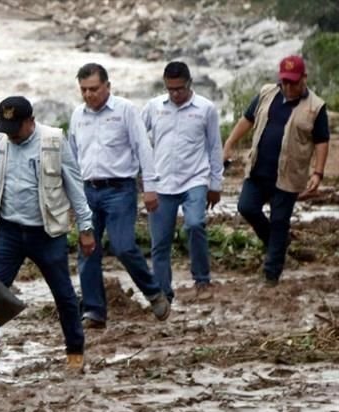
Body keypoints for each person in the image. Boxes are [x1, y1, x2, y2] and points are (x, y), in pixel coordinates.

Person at [0, 97, 95, 376]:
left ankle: (75, 350)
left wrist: (86, 228)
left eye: (16, 128)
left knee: (64, 294)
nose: (12, 134)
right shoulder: (0, 143)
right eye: (7, 128)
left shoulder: (54, 141)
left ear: (30, 122)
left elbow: (74, 185)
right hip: (7, 231)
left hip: (46, 232)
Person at [69, 62, 171, 329]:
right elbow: (72, 155)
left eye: (94, 89)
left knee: (123, 246)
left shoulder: (125, 110)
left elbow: (143, 147)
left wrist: (150, 187)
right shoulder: (78, 115)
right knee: (87, 250)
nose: (89, 95)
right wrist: (71, 194)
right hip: (88, 191)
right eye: (84, 89)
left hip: (119, 190)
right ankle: (94, 311)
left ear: (107, 86)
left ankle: (153, 292)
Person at [223, 55, 330, 286]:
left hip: (288, 176)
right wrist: (229, 143)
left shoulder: (316, 107)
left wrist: (318, 173)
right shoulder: (267, 93)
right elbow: (247, 119)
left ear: (304, 78)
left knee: (280, 221)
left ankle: (271, 275)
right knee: (246, 207)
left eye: (293, 82)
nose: (288, 87)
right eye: (285, 82)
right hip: (258, 169)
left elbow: (322, 141)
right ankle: (277, 244)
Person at [141, 61, 223, 301]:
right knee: (160, 242)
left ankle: (202, 279)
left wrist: (215, 184)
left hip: (194, 179)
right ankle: (163, 293)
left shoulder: (206, 109)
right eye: (170, 89)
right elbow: (137, 137)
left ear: (190, 84)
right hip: (162, 181)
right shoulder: (154, 107)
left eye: (179, 89)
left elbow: (214, 147)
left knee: (195, 224)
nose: (175, 94)